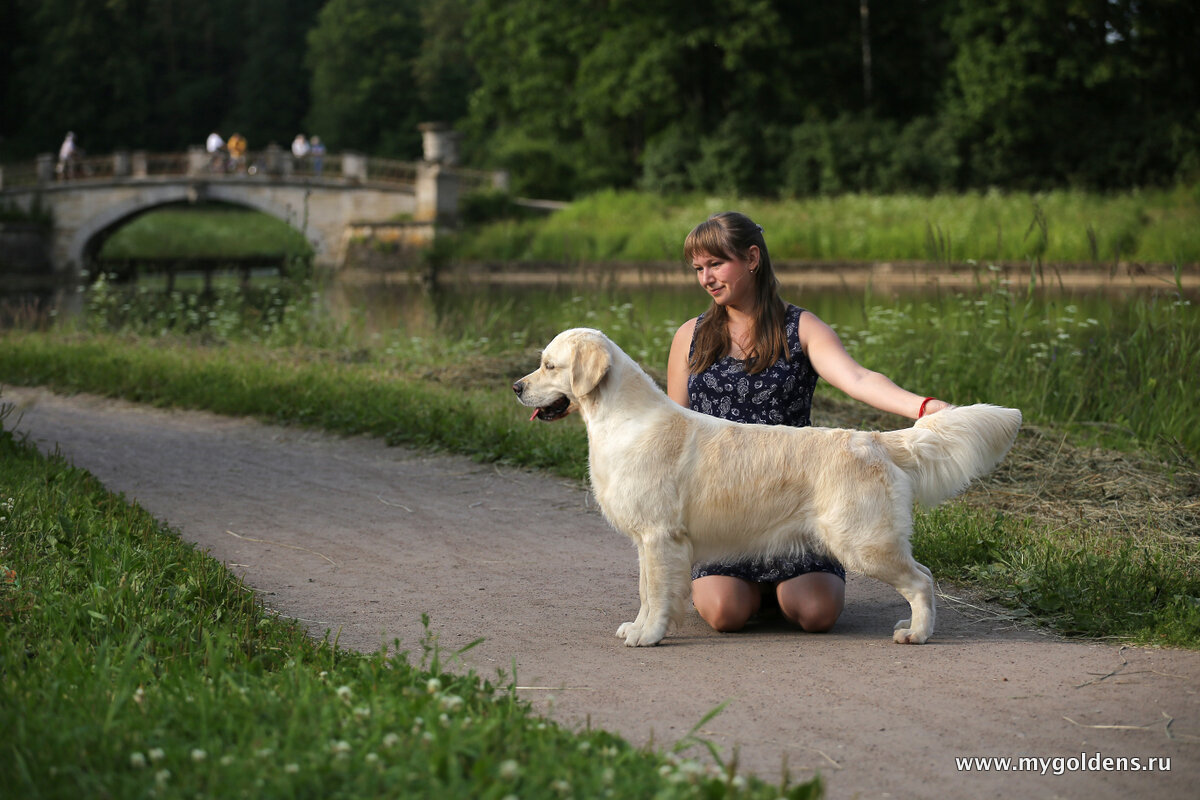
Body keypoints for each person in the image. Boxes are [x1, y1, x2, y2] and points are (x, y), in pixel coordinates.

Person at [667, 211, 950, 635]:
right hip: (725, 513)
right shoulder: (690, 335)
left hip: (799, 504)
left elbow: (856, 378)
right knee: (726, 613)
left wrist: (923, 406)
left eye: (716, 264)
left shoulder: (800, 327)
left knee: (816, 614)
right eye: (698, 269)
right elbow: (674, 425)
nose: (706, 278)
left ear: (752, 258)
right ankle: (741, 587)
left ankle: (783, 588)